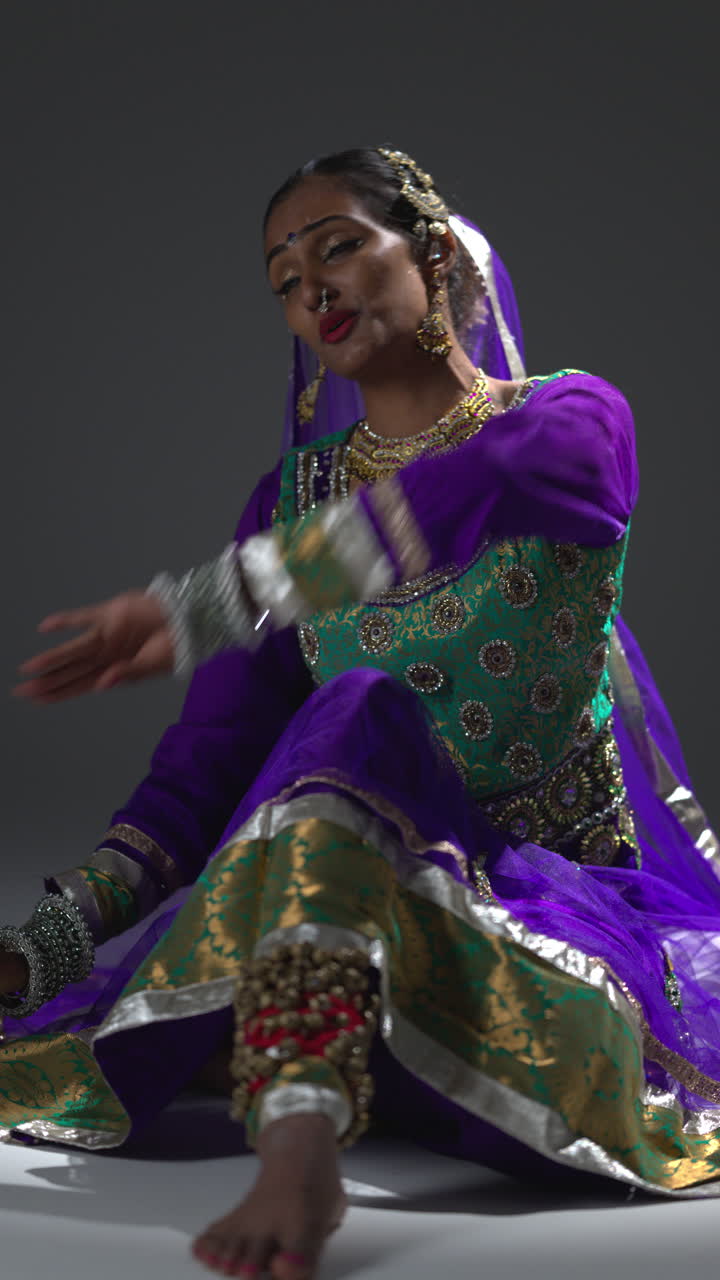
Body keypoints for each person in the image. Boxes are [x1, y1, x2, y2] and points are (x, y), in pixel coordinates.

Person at [3, 146, 720, 1280]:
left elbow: (479, 484)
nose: (311, 290)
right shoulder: (289, 502)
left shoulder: (574, 423)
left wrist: (225, 596)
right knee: (351, 713)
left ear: (433, 249)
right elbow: (209, 761)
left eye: (339, 246)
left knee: (360, 700)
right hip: (364, 938)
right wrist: (53, 937)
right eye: (285, 277)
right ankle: (302, 1128)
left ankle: (304, 1118)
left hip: (545, 947)